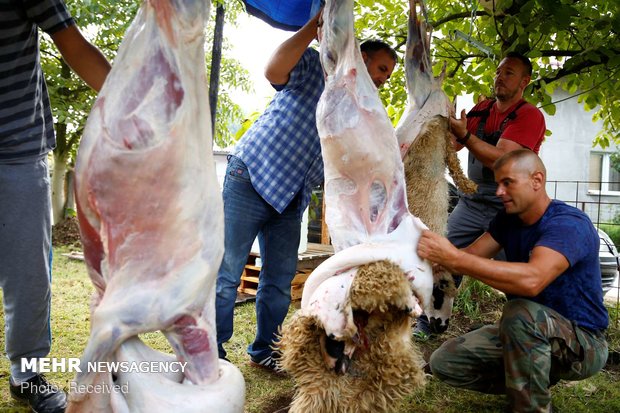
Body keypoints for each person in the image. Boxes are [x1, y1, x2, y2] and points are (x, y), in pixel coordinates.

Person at [215, 10, 397, 373]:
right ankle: (211, 352)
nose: (382, 81)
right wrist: (309, 29)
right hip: (252, 176)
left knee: (280, 281)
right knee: (227, 273)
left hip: (291, 197)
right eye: (380, 70)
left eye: (388, 76)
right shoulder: (316, 66)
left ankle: (265, 349)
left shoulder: (361, 109)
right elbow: (273, 71)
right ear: (361, 59)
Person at [417, 149, 609, 413]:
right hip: (530, 331)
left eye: (508, 183)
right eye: (497, 184)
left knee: (519, 313)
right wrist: (423, 265)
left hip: (583, 343)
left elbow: (532, 281)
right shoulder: (508, 220)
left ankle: (531, 407)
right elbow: (469, 256)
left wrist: (455, 260)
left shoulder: (568, 224)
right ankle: (531, 380)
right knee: (445, 362)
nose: (498, 192)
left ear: (537, 180)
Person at [1, 1, 111, 412]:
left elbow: (74, 46)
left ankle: (26, 374)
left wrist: (134, 105)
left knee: (28, 276)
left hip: (17, 152)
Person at [415, 51, 547, 336]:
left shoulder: (529, 116)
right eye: (498, 71)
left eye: (509, 73)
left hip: (509, 208)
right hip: (472, 203)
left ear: (525, 81)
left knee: (517, 272)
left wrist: (464, 135)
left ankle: (528, 329)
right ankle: (430, 321)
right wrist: (436, 117)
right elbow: (454, 143)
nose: (500, 77)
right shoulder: (483, 109)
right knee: (442, 253)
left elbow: (501, 159)